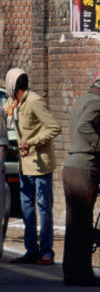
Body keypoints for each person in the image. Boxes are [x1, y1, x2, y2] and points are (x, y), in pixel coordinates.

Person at [62, 69, 100, 286]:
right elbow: (84, 127)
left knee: (74, 223)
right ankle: (82, 275)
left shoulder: (80, 101)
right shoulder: (98, 103)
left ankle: (71, 271)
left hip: (72, 166)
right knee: (83, 225)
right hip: (84, 168)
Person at [6, 69, 61, 265]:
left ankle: (47, 252)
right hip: (24, 165)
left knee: (44, 208)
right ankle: (32, 250)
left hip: (40, 165)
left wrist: (33, 141)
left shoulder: (34, 101)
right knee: (26, 209)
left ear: (13, 87)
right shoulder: (14, 103)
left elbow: (54, 127)